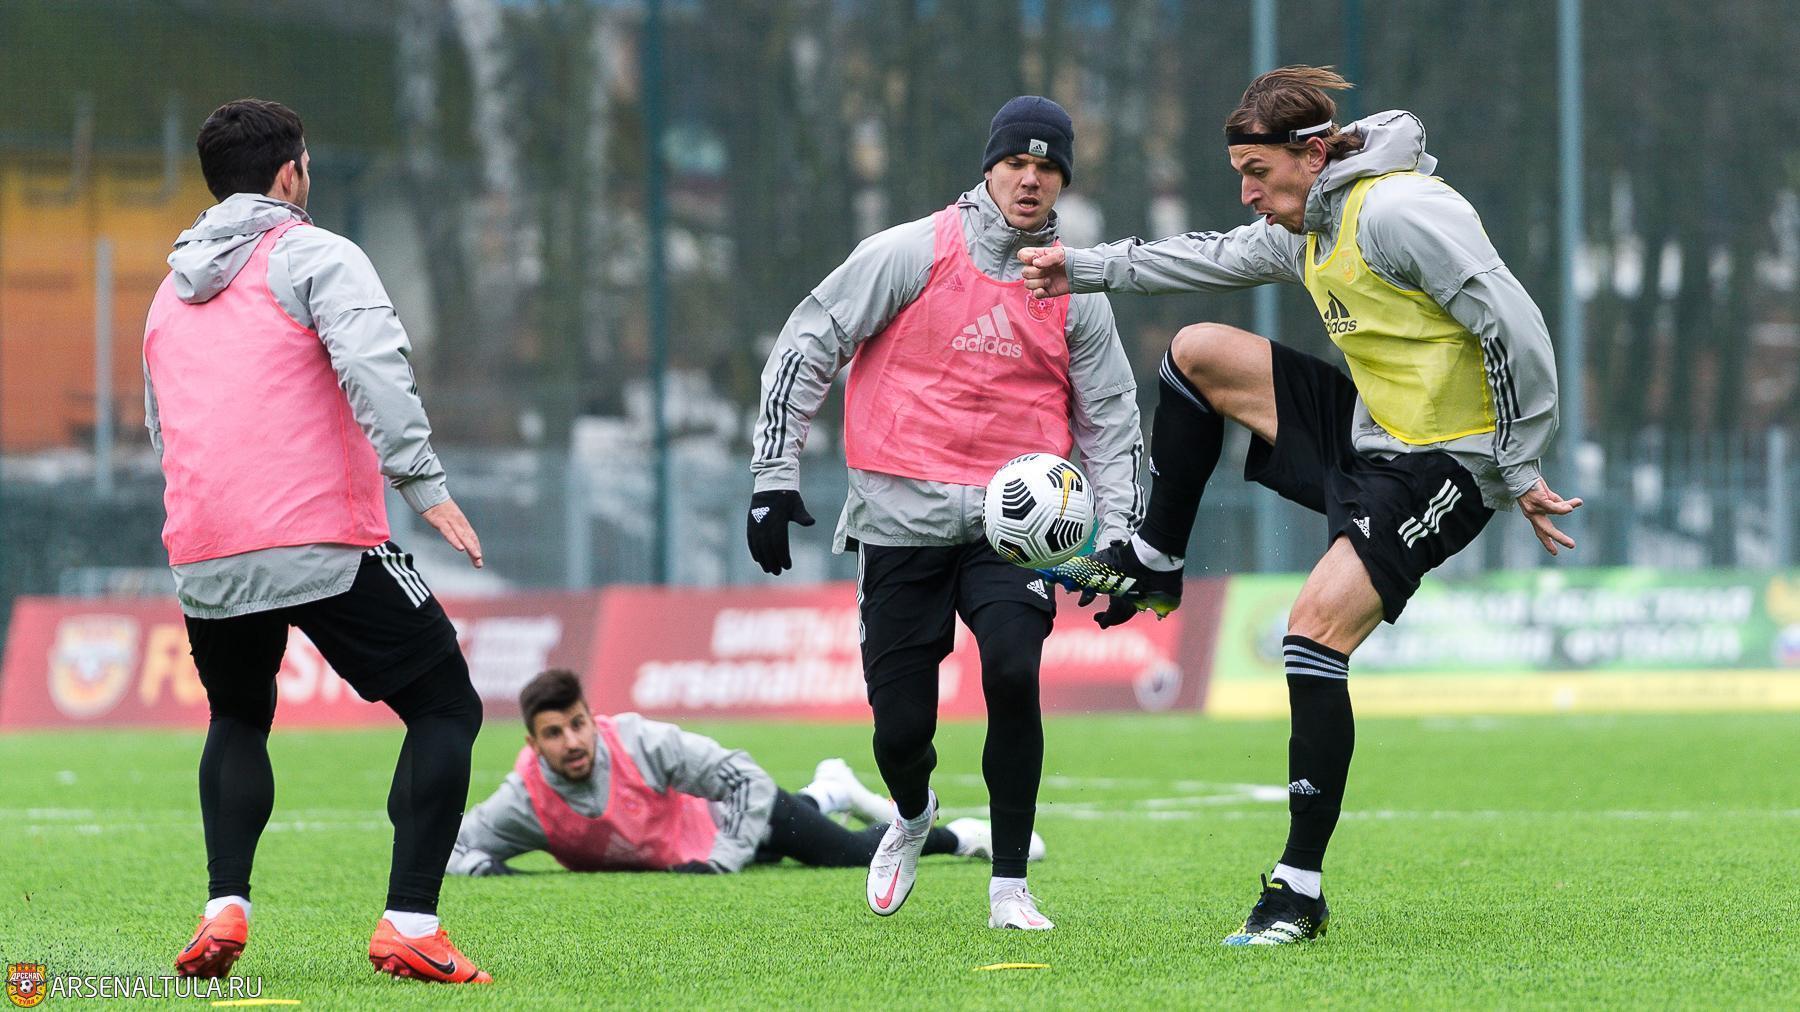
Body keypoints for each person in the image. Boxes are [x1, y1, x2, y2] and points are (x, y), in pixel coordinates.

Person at [1020, 67, 1582, 944]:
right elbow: (1208, 255)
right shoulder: (1307, 226)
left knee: (1311, 633)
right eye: (1241, 173)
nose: (1248, 193)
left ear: (1314, 154)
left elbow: (1517, 328)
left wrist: (1516, 463)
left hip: (1445, 465)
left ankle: (1297, 891)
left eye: (1258, 172)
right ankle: (1156, 562)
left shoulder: (1399, 213)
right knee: (1196, 351)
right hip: (1367, 432)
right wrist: (1082, 270)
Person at [745, 96, 1143, 930]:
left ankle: (1010, 887)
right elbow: (809, 340)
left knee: (1013, 672)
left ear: (1063, 180)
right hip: (900, 521)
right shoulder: (909, 252)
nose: (1030, 179)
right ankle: (912, 813)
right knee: (899, 732)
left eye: (1048, 168)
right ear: (989, 169)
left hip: (1017, 531)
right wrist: (773, 476)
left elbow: (1111, 418)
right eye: (1016, 163)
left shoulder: (1076, 287)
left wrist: (1117, 540)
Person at [145, 99, 490, 983]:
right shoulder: (317, 253)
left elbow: (162, 426)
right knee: (446, 705)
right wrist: (423, 485)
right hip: (321, 538)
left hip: (205, 549)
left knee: (237, 715)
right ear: (290, 173)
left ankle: (225, 906)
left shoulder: (167, 292)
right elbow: (375, 366)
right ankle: (410, 923)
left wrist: (206, 524)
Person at [449, 670, 1037, 876]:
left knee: (852, 855)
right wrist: (482, 867)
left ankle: (962, 837)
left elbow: (745, 778)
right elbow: (448, 843)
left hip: (736, 821)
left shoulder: (637, 741)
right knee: (789, 842)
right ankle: (828, 790)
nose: (573, 742)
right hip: (695, 853)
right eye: (554, 733)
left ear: (591, 718)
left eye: (578, 724)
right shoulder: (524, 800)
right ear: (533, 744)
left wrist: (722, 859)